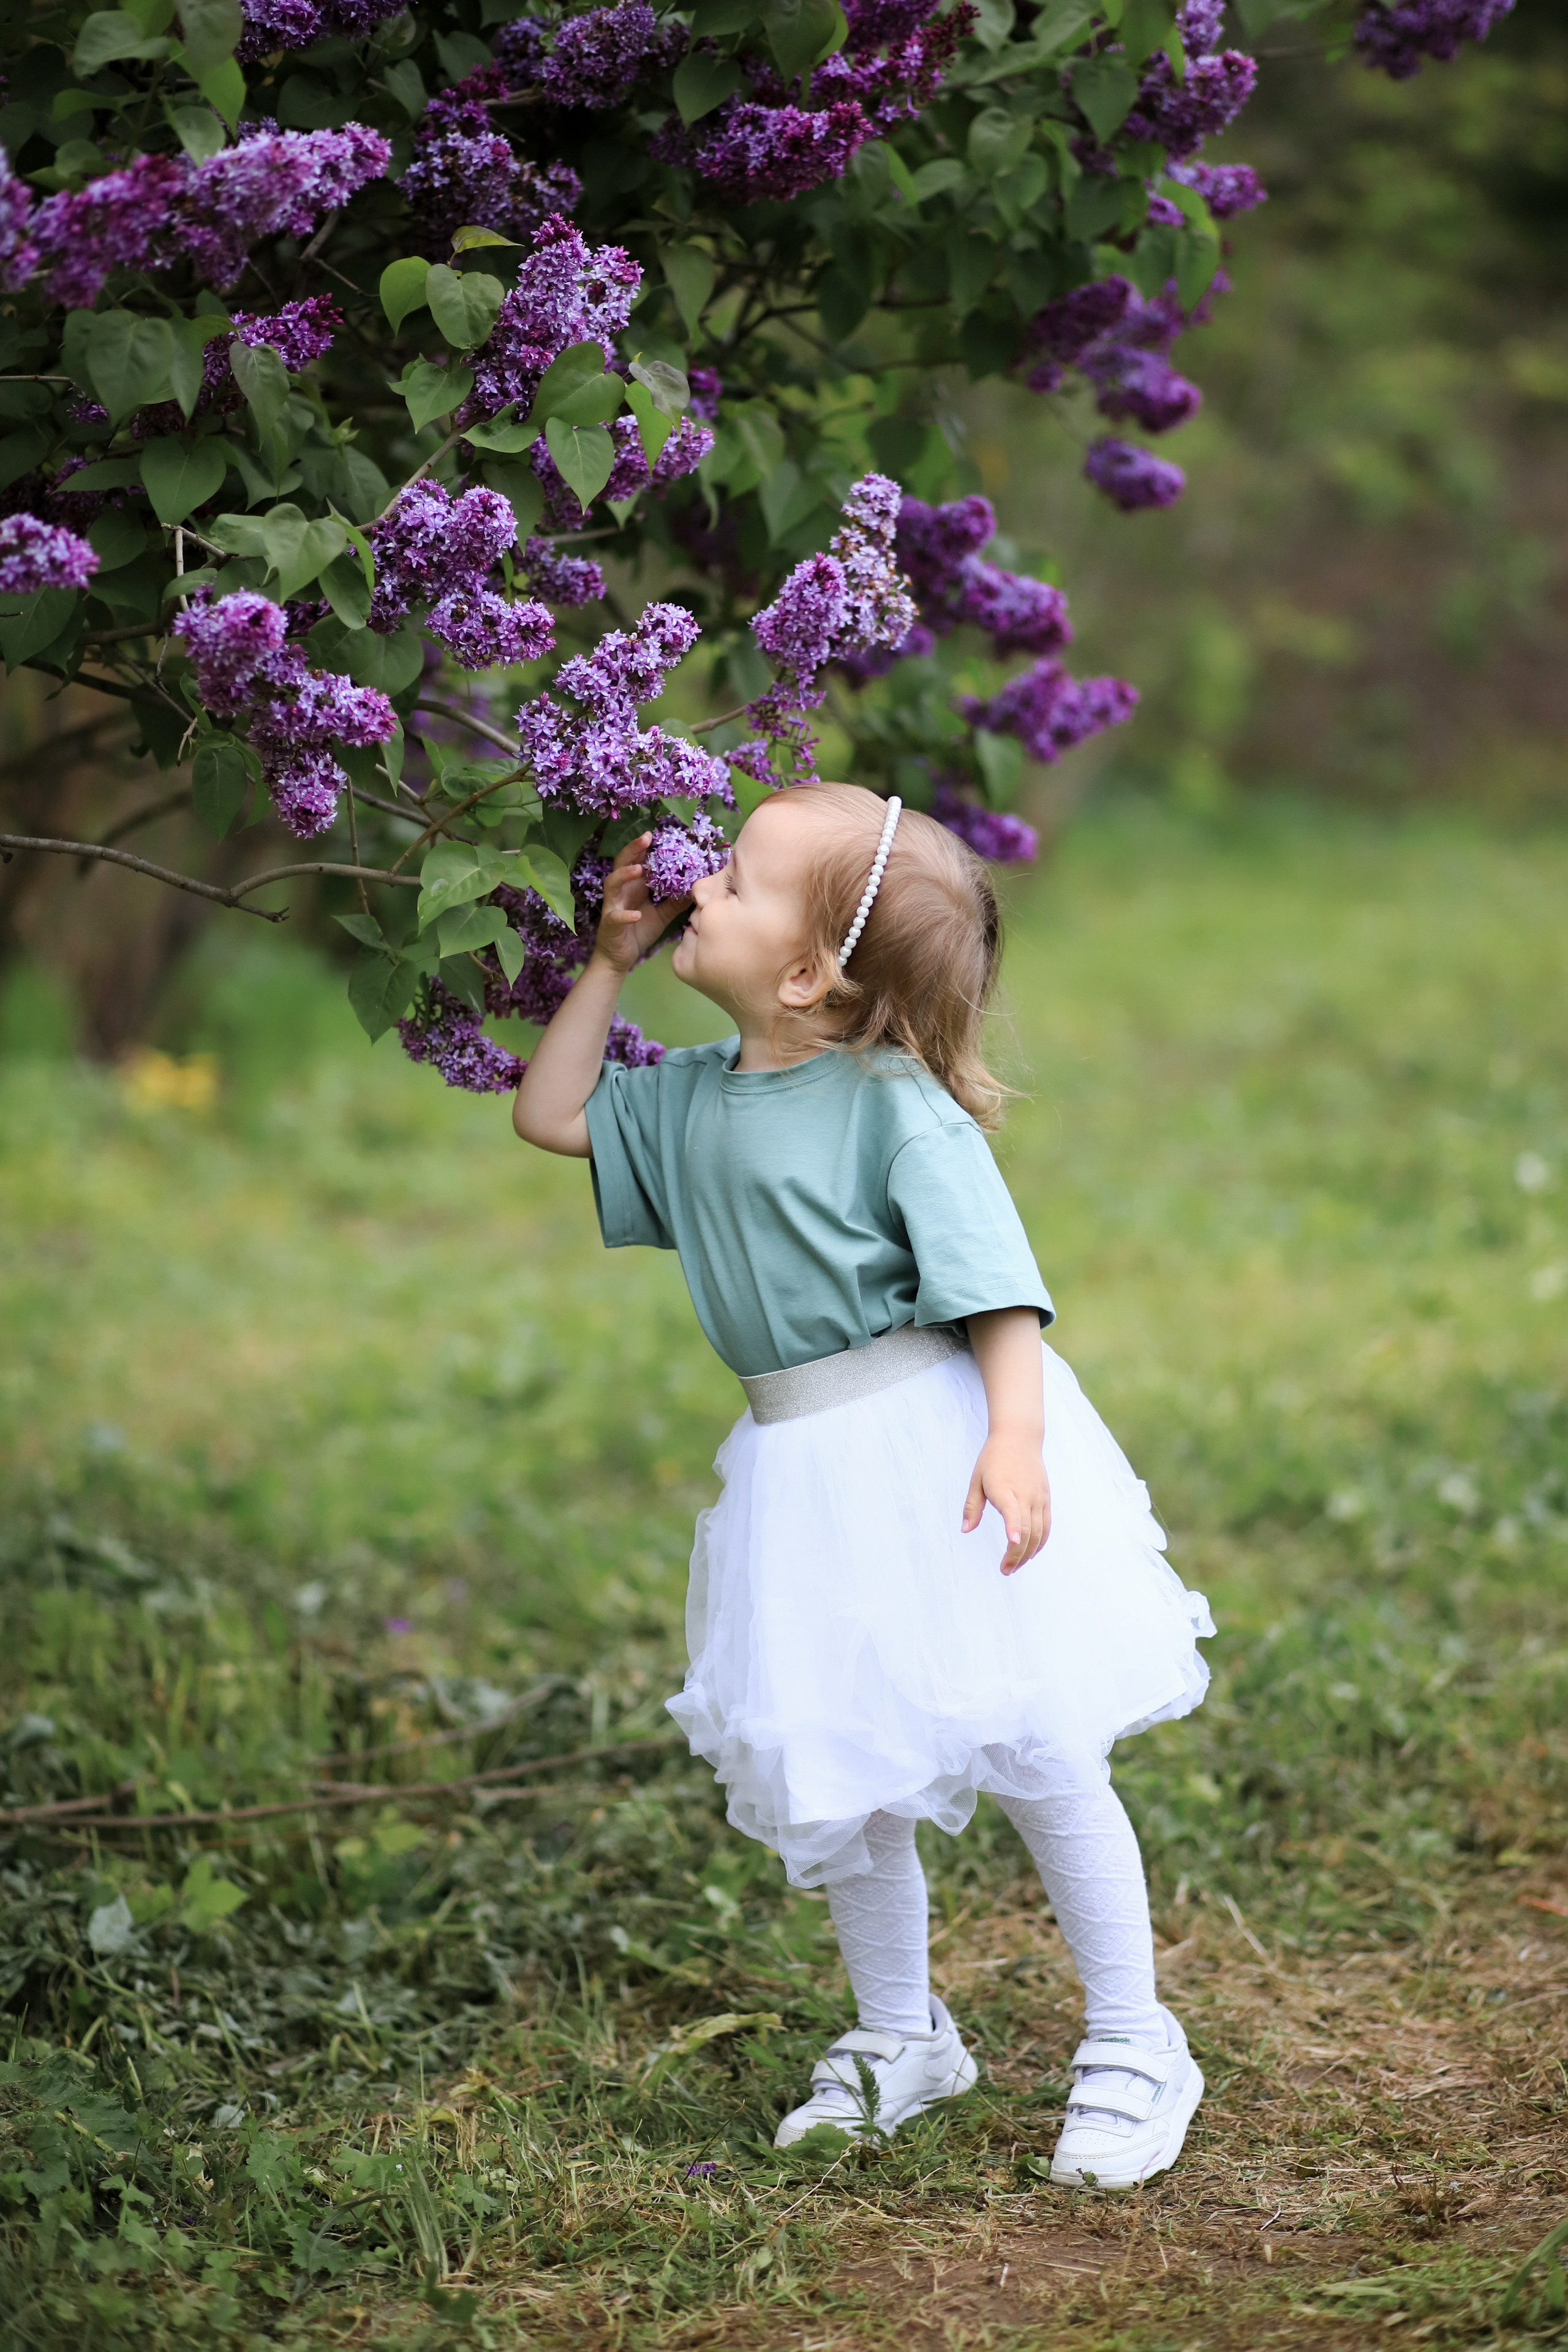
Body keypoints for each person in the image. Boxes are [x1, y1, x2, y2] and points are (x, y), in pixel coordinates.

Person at [512, 780, 1213, 2187]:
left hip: (933, 1447)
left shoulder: (890, 1106)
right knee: (844, 1768)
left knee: (1033, 1745)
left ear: (804, 970)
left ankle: (1135, 2039)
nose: (699, 876)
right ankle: (904, 2036)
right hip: (798, 1470)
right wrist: (605, 961)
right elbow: (546, 1114)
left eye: (741, 877)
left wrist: (1012, 1441)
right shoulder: (689, 1099)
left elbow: (997, 1295)